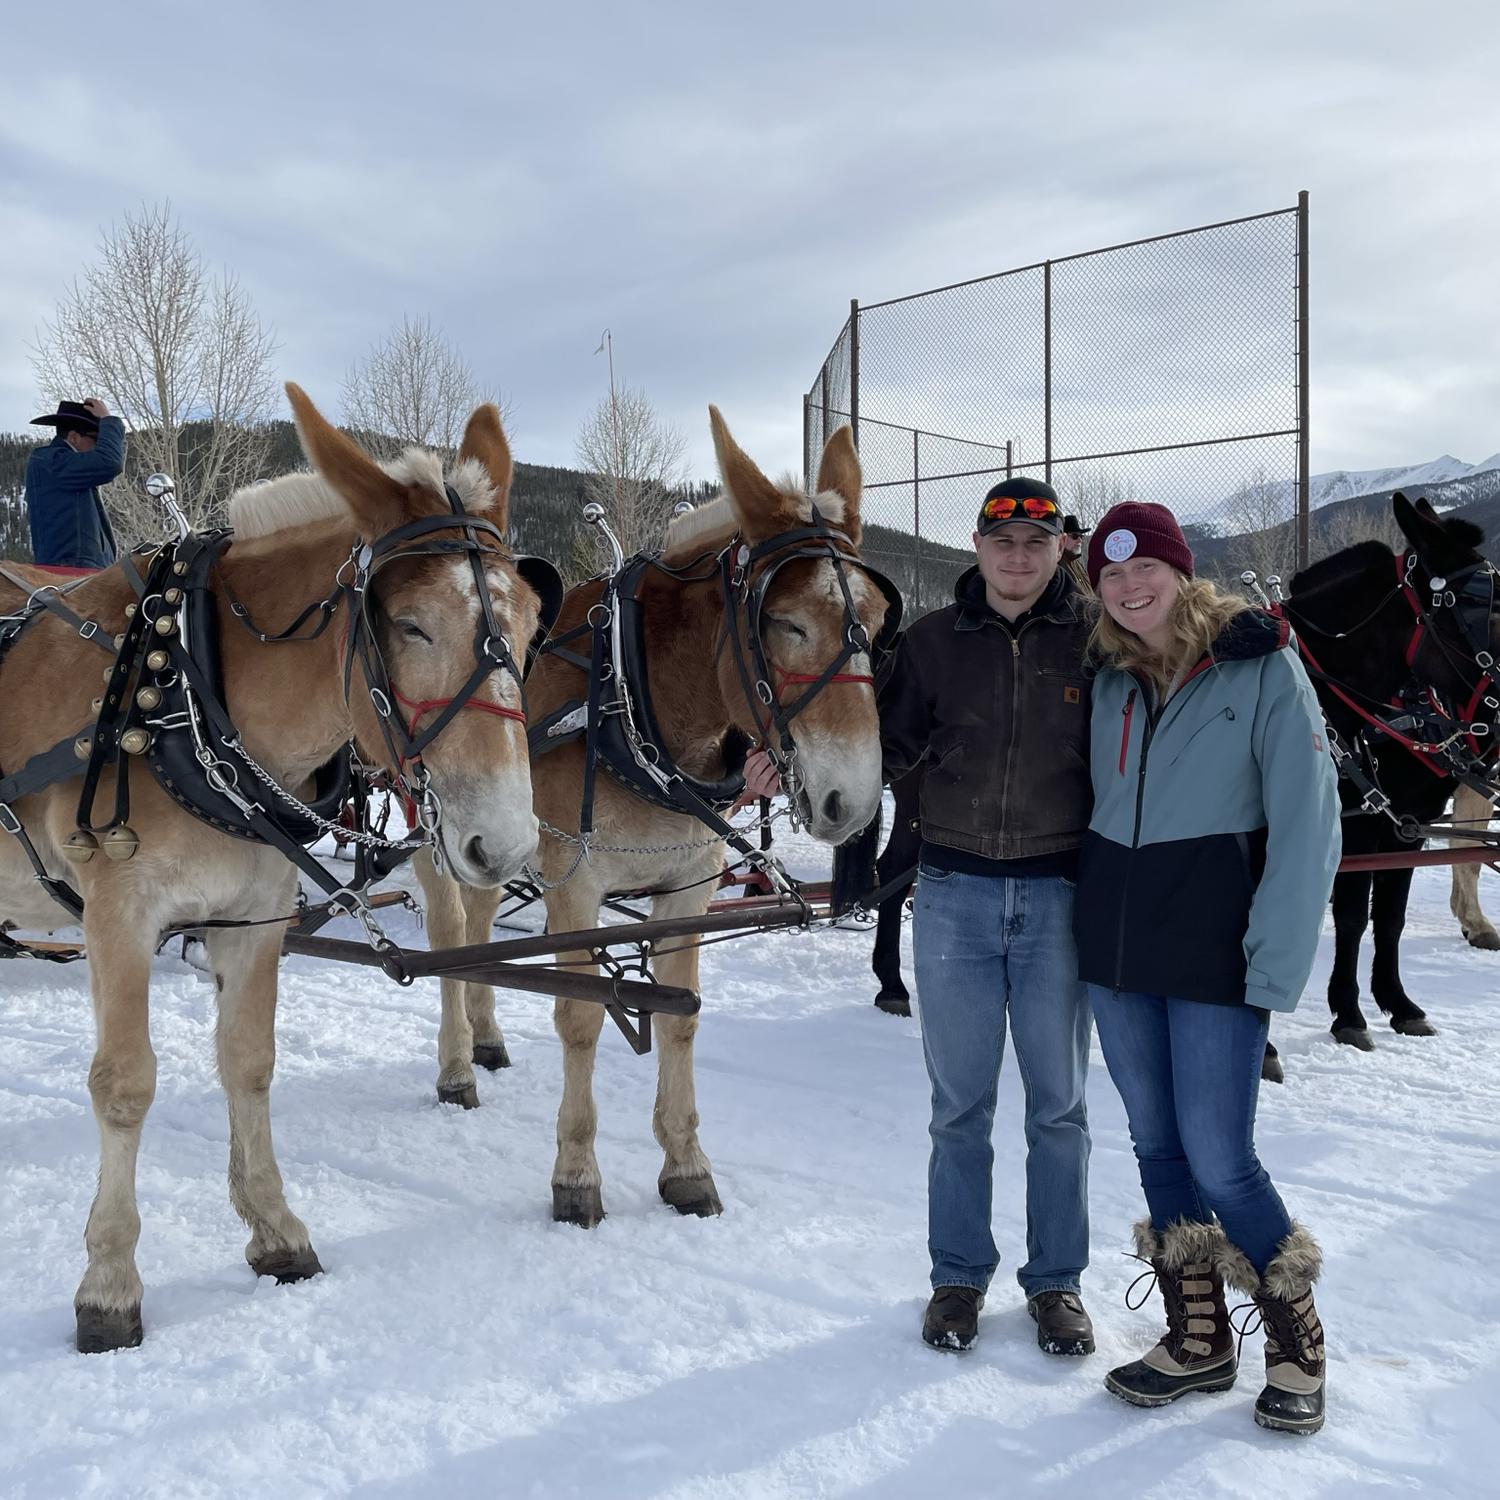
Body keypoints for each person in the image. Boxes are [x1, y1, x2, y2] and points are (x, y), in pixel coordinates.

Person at [1074, 500, 1340, 1434]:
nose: (1130, 586)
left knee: (1223, 1160)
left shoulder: (1259, 667)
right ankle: (1198, 1340)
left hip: (1216, 955)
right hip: (1116, 954)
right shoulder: (1106, 679)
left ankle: (1295, 1338)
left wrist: (1273, 966)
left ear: (1181, 571)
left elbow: (1312, 828)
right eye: (1110, 575)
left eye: (1145, 566)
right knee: (1158, 1147)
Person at [846, 472, 1096, 1357]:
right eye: (1001, 541)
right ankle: (958, 1276)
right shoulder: (931, 642)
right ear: (979, 548)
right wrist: (784, 766)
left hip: (1062, 899)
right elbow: (880, 745)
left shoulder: (1098, 640)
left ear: (1061, 547)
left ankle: (1057, 1283)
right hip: (952, 897)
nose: (1018, 557)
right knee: (961, 1108)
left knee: (1059, 1109)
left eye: (1036, 543)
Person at [25, 397, 123, 568]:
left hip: (78, 570)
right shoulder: (51, 461)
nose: (99, 446)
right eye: (96, 439)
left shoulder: (61, 466)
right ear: (73, 437)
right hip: (71, 570)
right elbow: (109, 463)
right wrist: (109, 421)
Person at [1060, 513, 1090, 590]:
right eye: (1075, 536)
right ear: (1063, 538)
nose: (1080, 540)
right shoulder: (1058, 566)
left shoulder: (1076, 563)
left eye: (1081, 536)